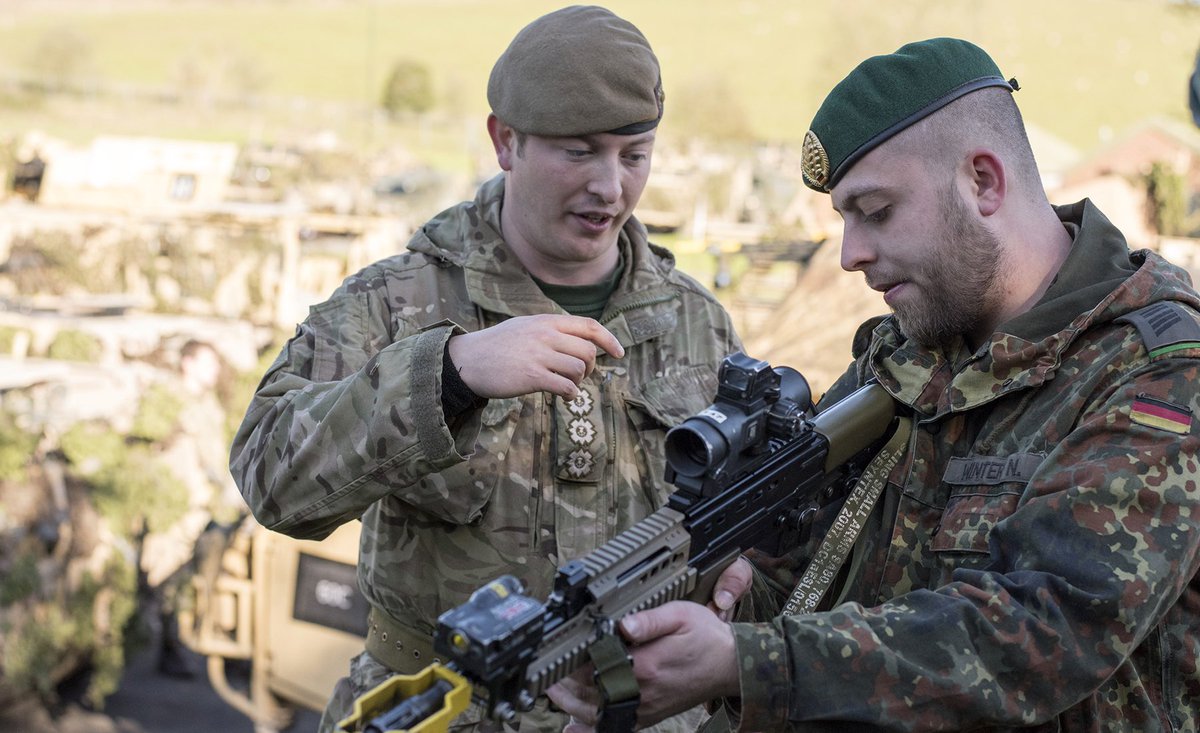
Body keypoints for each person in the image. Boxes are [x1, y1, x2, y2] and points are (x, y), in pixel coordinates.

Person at [548, 37, 1200, 731]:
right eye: (844, 219)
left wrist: (750, 663)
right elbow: (808, 563)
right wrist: (716, 602)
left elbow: (1047, 629)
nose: (850, 254)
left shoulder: (1158, 374)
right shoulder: (903, 356)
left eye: (877, 211)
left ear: (984, 182)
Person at [228, 6, 742, 732]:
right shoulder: (395, 301)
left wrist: (741, 574)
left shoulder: (695, 320)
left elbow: (746, 513)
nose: (610, 188)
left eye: (635, 155)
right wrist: (448, 374)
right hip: (442, 711)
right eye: (579, 152)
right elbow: (269, 477)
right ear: (505, 141)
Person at [142, 338, 246, 677]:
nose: (215, 370)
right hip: (175, 506)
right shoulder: (169, 400)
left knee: (194, 578)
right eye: (208, 362)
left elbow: (214, 454)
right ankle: (167, 649)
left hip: (202, 505)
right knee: (165, 576)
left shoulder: (208, 404)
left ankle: (193, 641)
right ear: (187, 363)